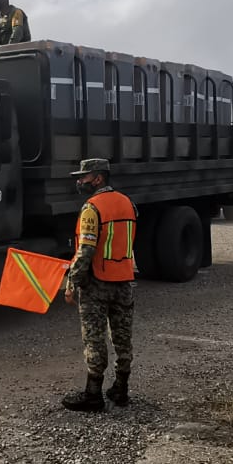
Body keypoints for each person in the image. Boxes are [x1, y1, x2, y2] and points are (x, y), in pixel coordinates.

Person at [61, 158, 137, 411]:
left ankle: (93, 395)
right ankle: (121, 389)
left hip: (98, 283)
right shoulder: (128, 203)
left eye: (84, 177)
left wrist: (72, 282)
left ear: (99, 178)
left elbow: (86, 251)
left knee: (94, 338)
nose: (80, 181)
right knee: (122, 338)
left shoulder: (92, 208)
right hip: (125, 280)